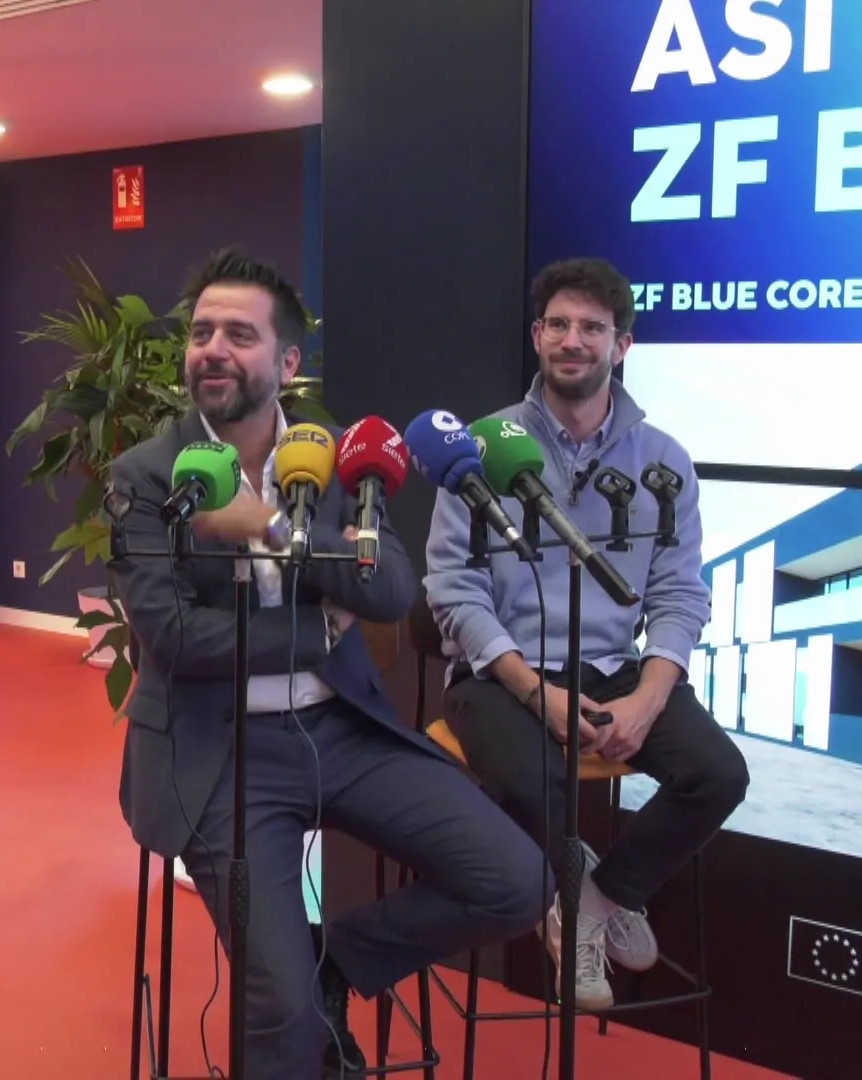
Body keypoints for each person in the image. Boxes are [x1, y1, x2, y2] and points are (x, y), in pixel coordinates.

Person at [108, 247, 551, 1078]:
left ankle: (334, 959)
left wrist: (272, 528)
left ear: (286, 362)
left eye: (239, 334)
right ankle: (302, 1004)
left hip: (341, 732)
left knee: (516, 881)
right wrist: (322, 628)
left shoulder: (341, 456)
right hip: (219, 752)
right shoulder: (146, 475)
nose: (212, 348)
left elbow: (388, 587)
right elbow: (173, 639)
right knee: (278, 1014)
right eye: (202, 331)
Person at [423, 256, 749, 1011]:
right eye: (559, 325)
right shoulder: (479, 448)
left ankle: (593, 902)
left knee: (718, 773)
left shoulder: (663, 460)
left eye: (592, 328)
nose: (574, 341)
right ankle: (576, 888)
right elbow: (453, 587)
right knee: (535, 777)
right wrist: (536, 693)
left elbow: (678, 593)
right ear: (538, 337)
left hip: (612, 667)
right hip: (498, 670)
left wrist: (648, 695)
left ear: (622, 344)